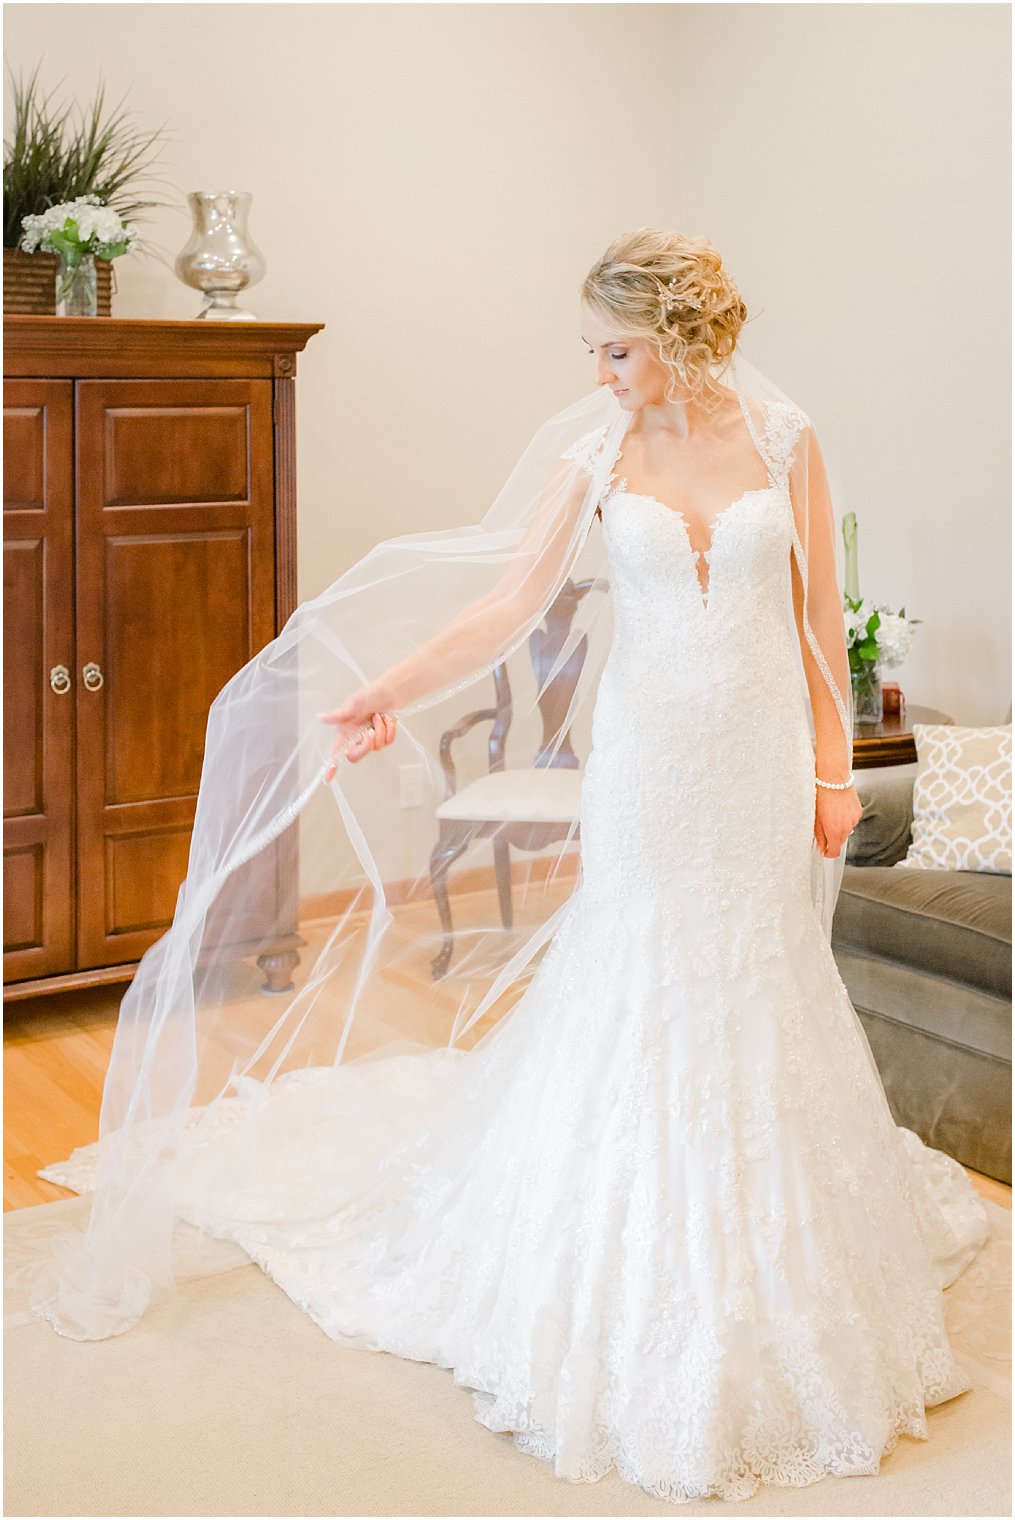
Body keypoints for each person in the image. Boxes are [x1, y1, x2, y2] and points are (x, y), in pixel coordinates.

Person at [33, 229, 989, 1505]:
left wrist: (829, 769)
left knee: (758, 975)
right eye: (594, 351)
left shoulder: (785, 437)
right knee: (648, 974)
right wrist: (382, 687)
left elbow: (816, 618)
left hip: (758, 755)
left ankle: (786, 1252)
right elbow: (505, 603)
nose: (597, 372)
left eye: (613, 348)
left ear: (676, 337)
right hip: (650, 764)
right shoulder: (599, 452)